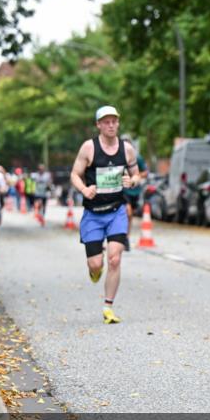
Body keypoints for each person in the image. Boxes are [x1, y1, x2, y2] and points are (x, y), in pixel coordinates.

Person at [70, 105, 141, 324]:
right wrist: (84, 189)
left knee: (115, 258)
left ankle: (108, 307)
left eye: (114, 121)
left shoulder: (126, 149)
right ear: (98, 125)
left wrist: (133, 180)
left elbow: (136, 173)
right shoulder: (89, 148)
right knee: (95, 264)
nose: (111, 125)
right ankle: (94, 271)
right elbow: (75, 174)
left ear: (118, 123)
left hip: (116, 211)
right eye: (106, 122)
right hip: (93, 214)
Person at [120, 136, 148, 250]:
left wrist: (135, 176)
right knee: (128, 212)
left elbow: (145, 172)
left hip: (135, 191)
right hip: (123, 190)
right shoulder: (117, 158)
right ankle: (121, 237)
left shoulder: (137, 158)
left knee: (130, 216)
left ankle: (126, 236)